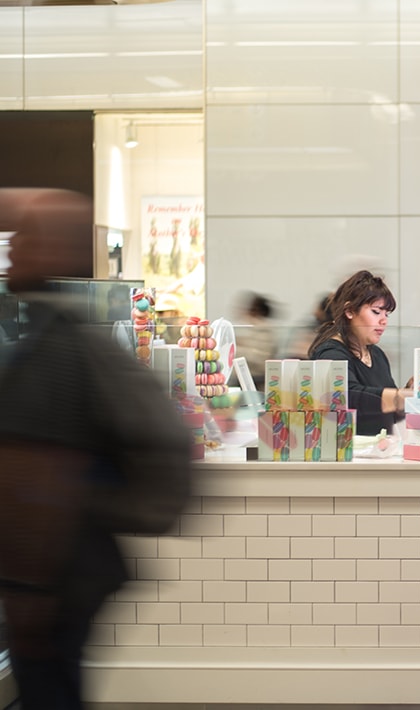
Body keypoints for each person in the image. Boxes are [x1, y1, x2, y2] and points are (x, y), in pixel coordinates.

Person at [0, 189, 190, 709]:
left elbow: (40, 474)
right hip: (66, 569)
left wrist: (33, 588)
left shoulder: (57, 350)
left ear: (55, 251)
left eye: (27, 237)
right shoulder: (61, 338)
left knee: (51, 693)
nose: (14, 249)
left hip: (55, 572)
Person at [308, 271, 409, 436]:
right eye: (376, 312)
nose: (384, 321)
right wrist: (399, 397)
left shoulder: (377, 355)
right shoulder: (330, 353)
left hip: (378, 452)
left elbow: (387, 411)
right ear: (349, 311)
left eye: (386, 314)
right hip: (343, 453)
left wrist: (408, 394)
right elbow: (348, 397)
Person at [234, 291, 278, 388]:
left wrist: (235, 349)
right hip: (246, 375)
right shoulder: (253, 328)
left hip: (256, 378)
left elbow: (258, 357)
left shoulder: (263, 329)